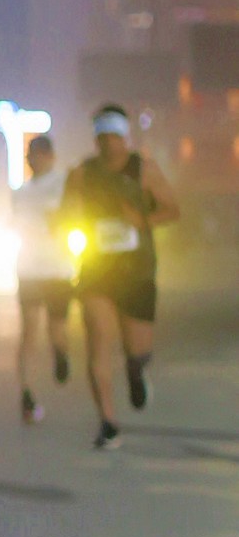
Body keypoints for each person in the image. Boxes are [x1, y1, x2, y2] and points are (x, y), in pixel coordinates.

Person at [61, 104, 179, 451]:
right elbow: (65, 213)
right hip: (96, 270)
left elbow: (172, 210)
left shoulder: (145, 169)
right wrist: (70, 223)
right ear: (95, 139)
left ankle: (135, 369)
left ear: (125, 137)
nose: (109, 143)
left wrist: (142, 221)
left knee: (138, 348)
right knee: (98, 340)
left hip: (137, 271)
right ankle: (108, 423)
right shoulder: (81, 173)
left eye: (114, 136)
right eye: (102, 136)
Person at [10, 131, 72, 424]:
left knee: (57, 328)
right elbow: (15, 223)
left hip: (58, 269)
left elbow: (73, 215)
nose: (33, 160)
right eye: (29, 156)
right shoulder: (20, 191)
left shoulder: (64, 184)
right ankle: (26, 392)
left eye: (38, 155)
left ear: (50, 156)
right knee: (28, 331)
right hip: (29, 269)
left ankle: (61, 354)